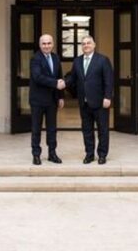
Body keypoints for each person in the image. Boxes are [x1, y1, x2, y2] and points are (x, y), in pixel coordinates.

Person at [64, 36, 114, 165]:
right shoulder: (77, 61)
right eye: (84, 44)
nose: (86, 45)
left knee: (103, 130)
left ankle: (102, 155)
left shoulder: (103, 60)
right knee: (87, 130)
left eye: (88, 43)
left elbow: (109, 80)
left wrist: (108, 97)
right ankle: (89, 154)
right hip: (84, 102)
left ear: (94, 45)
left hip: (100, 102)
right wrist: (63, 83)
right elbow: (72, 78)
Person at [28, 34, 65, 165]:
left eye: (49, 43)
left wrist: (61, 96)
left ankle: (52, 154)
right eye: (44, 43)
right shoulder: (35, 58)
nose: (46, 46)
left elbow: (59, 76)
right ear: (40, 45)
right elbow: (37, 77)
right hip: (37, 100)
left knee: (52, 129)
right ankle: (36, 154)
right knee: (36, 129)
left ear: (53, 44)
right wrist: (55, 83)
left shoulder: (55, 58)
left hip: (52, 100)